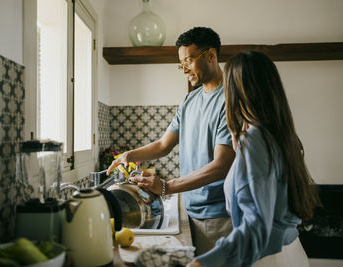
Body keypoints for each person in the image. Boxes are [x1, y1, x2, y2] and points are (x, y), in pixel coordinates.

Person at [107, 27, 235, 255]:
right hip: (191, 208)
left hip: (219, 217)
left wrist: (167, 186)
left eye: (189, 61)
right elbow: (163, 145)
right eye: (181, 63)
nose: (184, 69)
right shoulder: (190, 100)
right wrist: (129, 155)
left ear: (211, 56)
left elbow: (221, 165)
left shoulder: (230, 100)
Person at [187, 51, 320, 267]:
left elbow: (256, 223)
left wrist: (203, 263)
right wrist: (237, 140)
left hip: (269, 258)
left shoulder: (256, 140)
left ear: (237, 91)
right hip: (290, 252)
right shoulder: (279, 134)